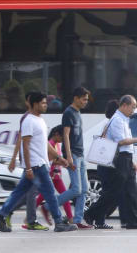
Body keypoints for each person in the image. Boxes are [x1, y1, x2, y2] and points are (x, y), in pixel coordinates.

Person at [0, 92, 78, 233]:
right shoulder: (29, 120)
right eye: (42, 103)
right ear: (35, 104)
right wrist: (28, 168)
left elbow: (45, 145)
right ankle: (59, 222)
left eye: (45, 103)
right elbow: (25, 145)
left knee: (17, 194)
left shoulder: (40, 120)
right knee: (49, 194)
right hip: (37, 166)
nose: (45, 105)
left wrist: (59, 158)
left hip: (39, 164)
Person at [84, 95, 137, 230]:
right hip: (120, 159)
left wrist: (132, 161)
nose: (133, 110)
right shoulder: (117, 120)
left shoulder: (124, 120)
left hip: (127, 158)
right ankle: (90, 214)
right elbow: (120, 142)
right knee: (114, 192)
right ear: (124, 105)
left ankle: (133, 222)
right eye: (132, 107)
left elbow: (126, 144)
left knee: (132, 191)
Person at [8, 93, 48, 231]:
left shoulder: (35, 118)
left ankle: (6, 211)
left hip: (34, 161)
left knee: (27, 192)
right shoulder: (27, 118)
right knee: (31, 192)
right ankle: (31, 221)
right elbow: (21, 140)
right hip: (31, 162)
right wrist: (15, 159)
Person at [57, 86, 92, 229]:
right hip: (73, 155)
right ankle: (49, 205)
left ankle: (78, 219)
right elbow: (65, 135)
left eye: (87, 100)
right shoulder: (68, 113)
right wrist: (69, 156)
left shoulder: (78, 112)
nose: (86, 102)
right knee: (76, 189)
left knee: (84, 189)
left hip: (81, 154)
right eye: (84, 99)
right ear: (76, 98)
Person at [37, 126, 73, 224]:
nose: (63, 140)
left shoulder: (56, 144)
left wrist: (63, 163)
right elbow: (49, 161)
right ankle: (30, 217)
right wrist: (64, 162)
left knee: (65, 196)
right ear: (56, 134)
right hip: (50, 175)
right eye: (62, 137)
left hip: (56, 175)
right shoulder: (50, 144)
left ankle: (70, 218)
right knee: (42, 197)